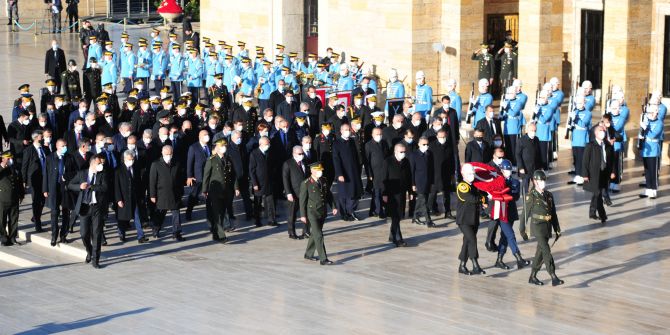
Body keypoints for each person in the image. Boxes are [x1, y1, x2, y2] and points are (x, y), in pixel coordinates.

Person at [524, 170, 563, 286]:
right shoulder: (531, 196)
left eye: (544, 180)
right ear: (535, 182)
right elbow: (524, 215)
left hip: (547, 227)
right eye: (541, 180)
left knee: (540, 253)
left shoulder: (549, 195)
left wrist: (557, 229)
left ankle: (532, 276)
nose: (543, 183)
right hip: (537, 227)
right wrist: (522, 230)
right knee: (546, 250)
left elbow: (553, 214)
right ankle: (553, 276)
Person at [68, 154, 107, 268]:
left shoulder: (102, 175)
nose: (101, 166)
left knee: (97, 233)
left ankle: (96, 260)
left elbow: (105, 187)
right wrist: (80, 186)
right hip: (85, 207)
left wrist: (91, 186)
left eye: (102, 164)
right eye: (99, 163)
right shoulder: (82, 173)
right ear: (93, 163)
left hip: (97, 208)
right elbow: (70, 185)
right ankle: (89, 251)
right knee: (84, 233)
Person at [494, 159, 531, 270]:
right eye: (505, 170)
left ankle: (499, 260)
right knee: (510, 235)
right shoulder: (497, 180)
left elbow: (515, 197)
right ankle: (519, 258)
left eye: (509, 170)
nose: (507, 172)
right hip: (501, 211)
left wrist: (506, 190)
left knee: (505, 237)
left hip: (510, 211)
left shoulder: (515, 182)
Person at [300, 162, 337, 265]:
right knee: (319, 235)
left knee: (315, 234)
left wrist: (333, 206)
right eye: (318, 170)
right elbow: (302, 201)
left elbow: (328, 195)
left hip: (322, 211)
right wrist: (303, 215)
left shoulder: (324, 180)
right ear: (312, 171)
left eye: (321, 170)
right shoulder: (306, 183)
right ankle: (323, 259)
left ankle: (308, 254)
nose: (320, 172)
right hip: (312, 212)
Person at [202, 138, 238, 243]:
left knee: (222, 213)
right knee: (217, 213)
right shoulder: (211, 160)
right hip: (215, 191)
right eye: (222, 146)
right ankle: (222, 235)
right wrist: (204, 190)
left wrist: (236, 188)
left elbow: (233, 175)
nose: (224, 148)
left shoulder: (228, 159)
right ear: (217, 148)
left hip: (226, 191)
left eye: (225, 146)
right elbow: (206, 176)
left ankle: (215, 233)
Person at [149, 145, 186, 241]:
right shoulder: (156, 164)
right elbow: (152, 181)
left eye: (170, 154)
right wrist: (152, 195)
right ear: (162, 153)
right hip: (162, 194)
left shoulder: (176, 163)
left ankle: (176, 233)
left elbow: (180, 178)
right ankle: (156, 229)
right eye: (166, 154)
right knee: (160, 214)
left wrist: (181, 191)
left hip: (175, 194)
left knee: (176, 214)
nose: (168, 156)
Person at [456, 163, 487, 275]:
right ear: (463, 174)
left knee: (467, 241)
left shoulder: (474, 185)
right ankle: (475, 264)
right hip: (464, 220)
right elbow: (471, 198)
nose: (472, 175)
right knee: (472, 239)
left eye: (473, 173)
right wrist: (482, 199)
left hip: (473, 219)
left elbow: (481, 196)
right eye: (469, 173)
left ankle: (462, 265)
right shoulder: (462, 186)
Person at [115, 150, 149, 244]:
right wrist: (118, 199)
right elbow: (116, 186)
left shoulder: (135, 167)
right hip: (124, 198)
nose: (131, 161)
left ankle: (141, 236)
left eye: (133, 159)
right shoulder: (118, 169)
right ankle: (121, 234)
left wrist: (141, 195)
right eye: (130, 159)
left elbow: (138, 182)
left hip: (134, 196)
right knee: (123, 218)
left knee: (137, 216)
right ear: (125, 159)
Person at [381, 143, 412, 247]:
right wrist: (384, 193)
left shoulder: (406, 162)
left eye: (404, 152)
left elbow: (408, 177)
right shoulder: (388, 162)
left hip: (402, 193)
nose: (403, 154)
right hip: (391, 194)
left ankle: (392, 234)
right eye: (401, 152)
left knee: (398, 216)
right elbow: (383, 179)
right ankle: (398, 238)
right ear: (395, 151)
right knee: (395, 216)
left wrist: (410, 192)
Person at [582, 125, 614, 224]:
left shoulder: (607, 145)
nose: (603, 132)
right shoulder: (590, 145)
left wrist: (612, 171)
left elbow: (611, 160)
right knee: (598, 193)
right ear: (596, 133)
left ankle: (592, 212)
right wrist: (585, 174)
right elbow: (585, 161)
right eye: (601, 130)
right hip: (594, 174)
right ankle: (603, 215)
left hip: (604, 173)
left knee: (597, 193)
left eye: (604, 130)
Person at [43, 139, 72, 245]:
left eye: (66, 145)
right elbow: (45, 174)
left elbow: (73, 173)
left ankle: (63, 235)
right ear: (57, 146)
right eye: (62, 146)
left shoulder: (69, 157)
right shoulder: (50, 157)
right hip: (54, 189)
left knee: (66, 213)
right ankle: (54, 236)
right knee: (54, 213)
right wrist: (45, 189)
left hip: (65, 189)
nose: (65, 147)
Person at [332, 123, 363, 221]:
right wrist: (339, 174)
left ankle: (351, 211)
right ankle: (344, 213)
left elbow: (356, 156)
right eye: (345, 130)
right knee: (344, 194)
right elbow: (336, 159)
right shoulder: (336, 143)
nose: (347, 132)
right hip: (343, 172)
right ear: (341, 131)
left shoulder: (352, 141)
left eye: (349, 129)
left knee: (354, 192)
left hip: (353, 171)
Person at [21, 130, 49, 233]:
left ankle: (35, 216)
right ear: (37, 138)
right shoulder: (29, 150)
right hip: (34, 180)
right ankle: (38, 224)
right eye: (41, 136)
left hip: (44, 178)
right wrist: (23, 180)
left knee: (42, 200)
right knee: (36, 201)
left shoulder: (45, 149)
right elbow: (24, 166)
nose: (43, 138)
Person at [249, 136, 277, 227]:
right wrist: (254, 183)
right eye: (266, 144)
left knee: (271, 202)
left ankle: (271, 220)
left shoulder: (270, 152)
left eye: (269, 143)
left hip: (269, 181)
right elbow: (252, 171)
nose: (268, 145)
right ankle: (257, 220)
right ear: (260, 144)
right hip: (259, 183)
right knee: (258, 202)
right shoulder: (254, 153)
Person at [282, 145, 309, 239]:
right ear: (294, 154)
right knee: (292, 214)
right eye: (299, 154)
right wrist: (288, 193)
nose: (302, 155)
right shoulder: (288, 163)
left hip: (305, 192)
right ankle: (291, 232)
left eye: (302, 153)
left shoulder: (305, 162)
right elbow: (285, 179)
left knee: (305, 212)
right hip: (294, 192)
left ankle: (306, 231)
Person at [0, 151, 24, 246]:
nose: (11, 160)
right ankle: (3, 237)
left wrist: (21, 194)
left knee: (14, 218)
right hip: (2, 199)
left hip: (14, 197)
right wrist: (3, 167)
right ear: (3, 158)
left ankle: (13, 237)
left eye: (11, 158)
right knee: (1, 219)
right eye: (8, 158)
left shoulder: (15, 168)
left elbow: (19, 182)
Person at [185, 130, 210, 220]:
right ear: (200, 137)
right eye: (204, 135)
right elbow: (189, 163)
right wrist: (189, 176)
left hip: (209, 175)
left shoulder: (209, 146)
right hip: (198, 176)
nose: (207, 136)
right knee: (194, 195)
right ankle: (188, 212)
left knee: (209, 195)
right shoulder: (193, 147)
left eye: (207, 134)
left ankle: (210, 214)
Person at [566, 95, 591, 186]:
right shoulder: (575, 111)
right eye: (577, 103)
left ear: (584, 102)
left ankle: (581, 177)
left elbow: (583, 124)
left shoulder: (588, 113)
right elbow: (572, 124)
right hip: (575, 138)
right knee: (576, 159)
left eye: (580, 103)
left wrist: (575, 118)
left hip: (582, 138)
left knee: (581, 159)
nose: (579, 104)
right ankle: (577, 176)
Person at [640, 104, 663, 199]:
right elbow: (642, 134)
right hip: (646, 149)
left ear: (655, 113)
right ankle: (648, 189)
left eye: (650, 112)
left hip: (653, 149)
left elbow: (653, 135)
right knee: (647, 170)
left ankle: (654, 190)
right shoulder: (647, 121)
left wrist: (645, 128)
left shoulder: (659, 123)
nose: (649, 114)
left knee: (653, 171)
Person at [410, 136, 434, 227]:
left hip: (427, 181)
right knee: (423, 201)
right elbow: (412, 171)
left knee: (421, 200)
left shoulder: (429, 154)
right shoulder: (414, 155)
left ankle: (415, 217)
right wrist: (412, 183)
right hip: (419, 182)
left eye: (427, 144)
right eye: (424, 144)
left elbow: (431, 168)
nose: (426, 146)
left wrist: (432, 181)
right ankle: (428, 220)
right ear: (419, 144)